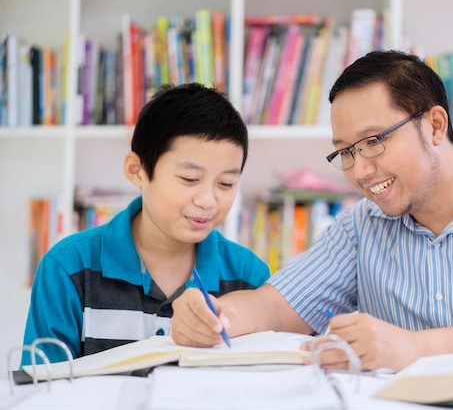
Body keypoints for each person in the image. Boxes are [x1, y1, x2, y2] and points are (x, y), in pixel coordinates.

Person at [171, 51, 453, 372]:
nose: (360, 170)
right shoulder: (361, 226)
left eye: (374, 141)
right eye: (345, 152)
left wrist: (415, 348)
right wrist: (214, 316)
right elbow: (273, 305)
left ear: (435, 125)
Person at [22, 83, 270, 364]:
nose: (207, 200)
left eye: (226, 183)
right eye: (190, 179)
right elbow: (42, 389)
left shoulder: (249, 277)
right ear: (137, 171)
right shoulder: (68, 268)